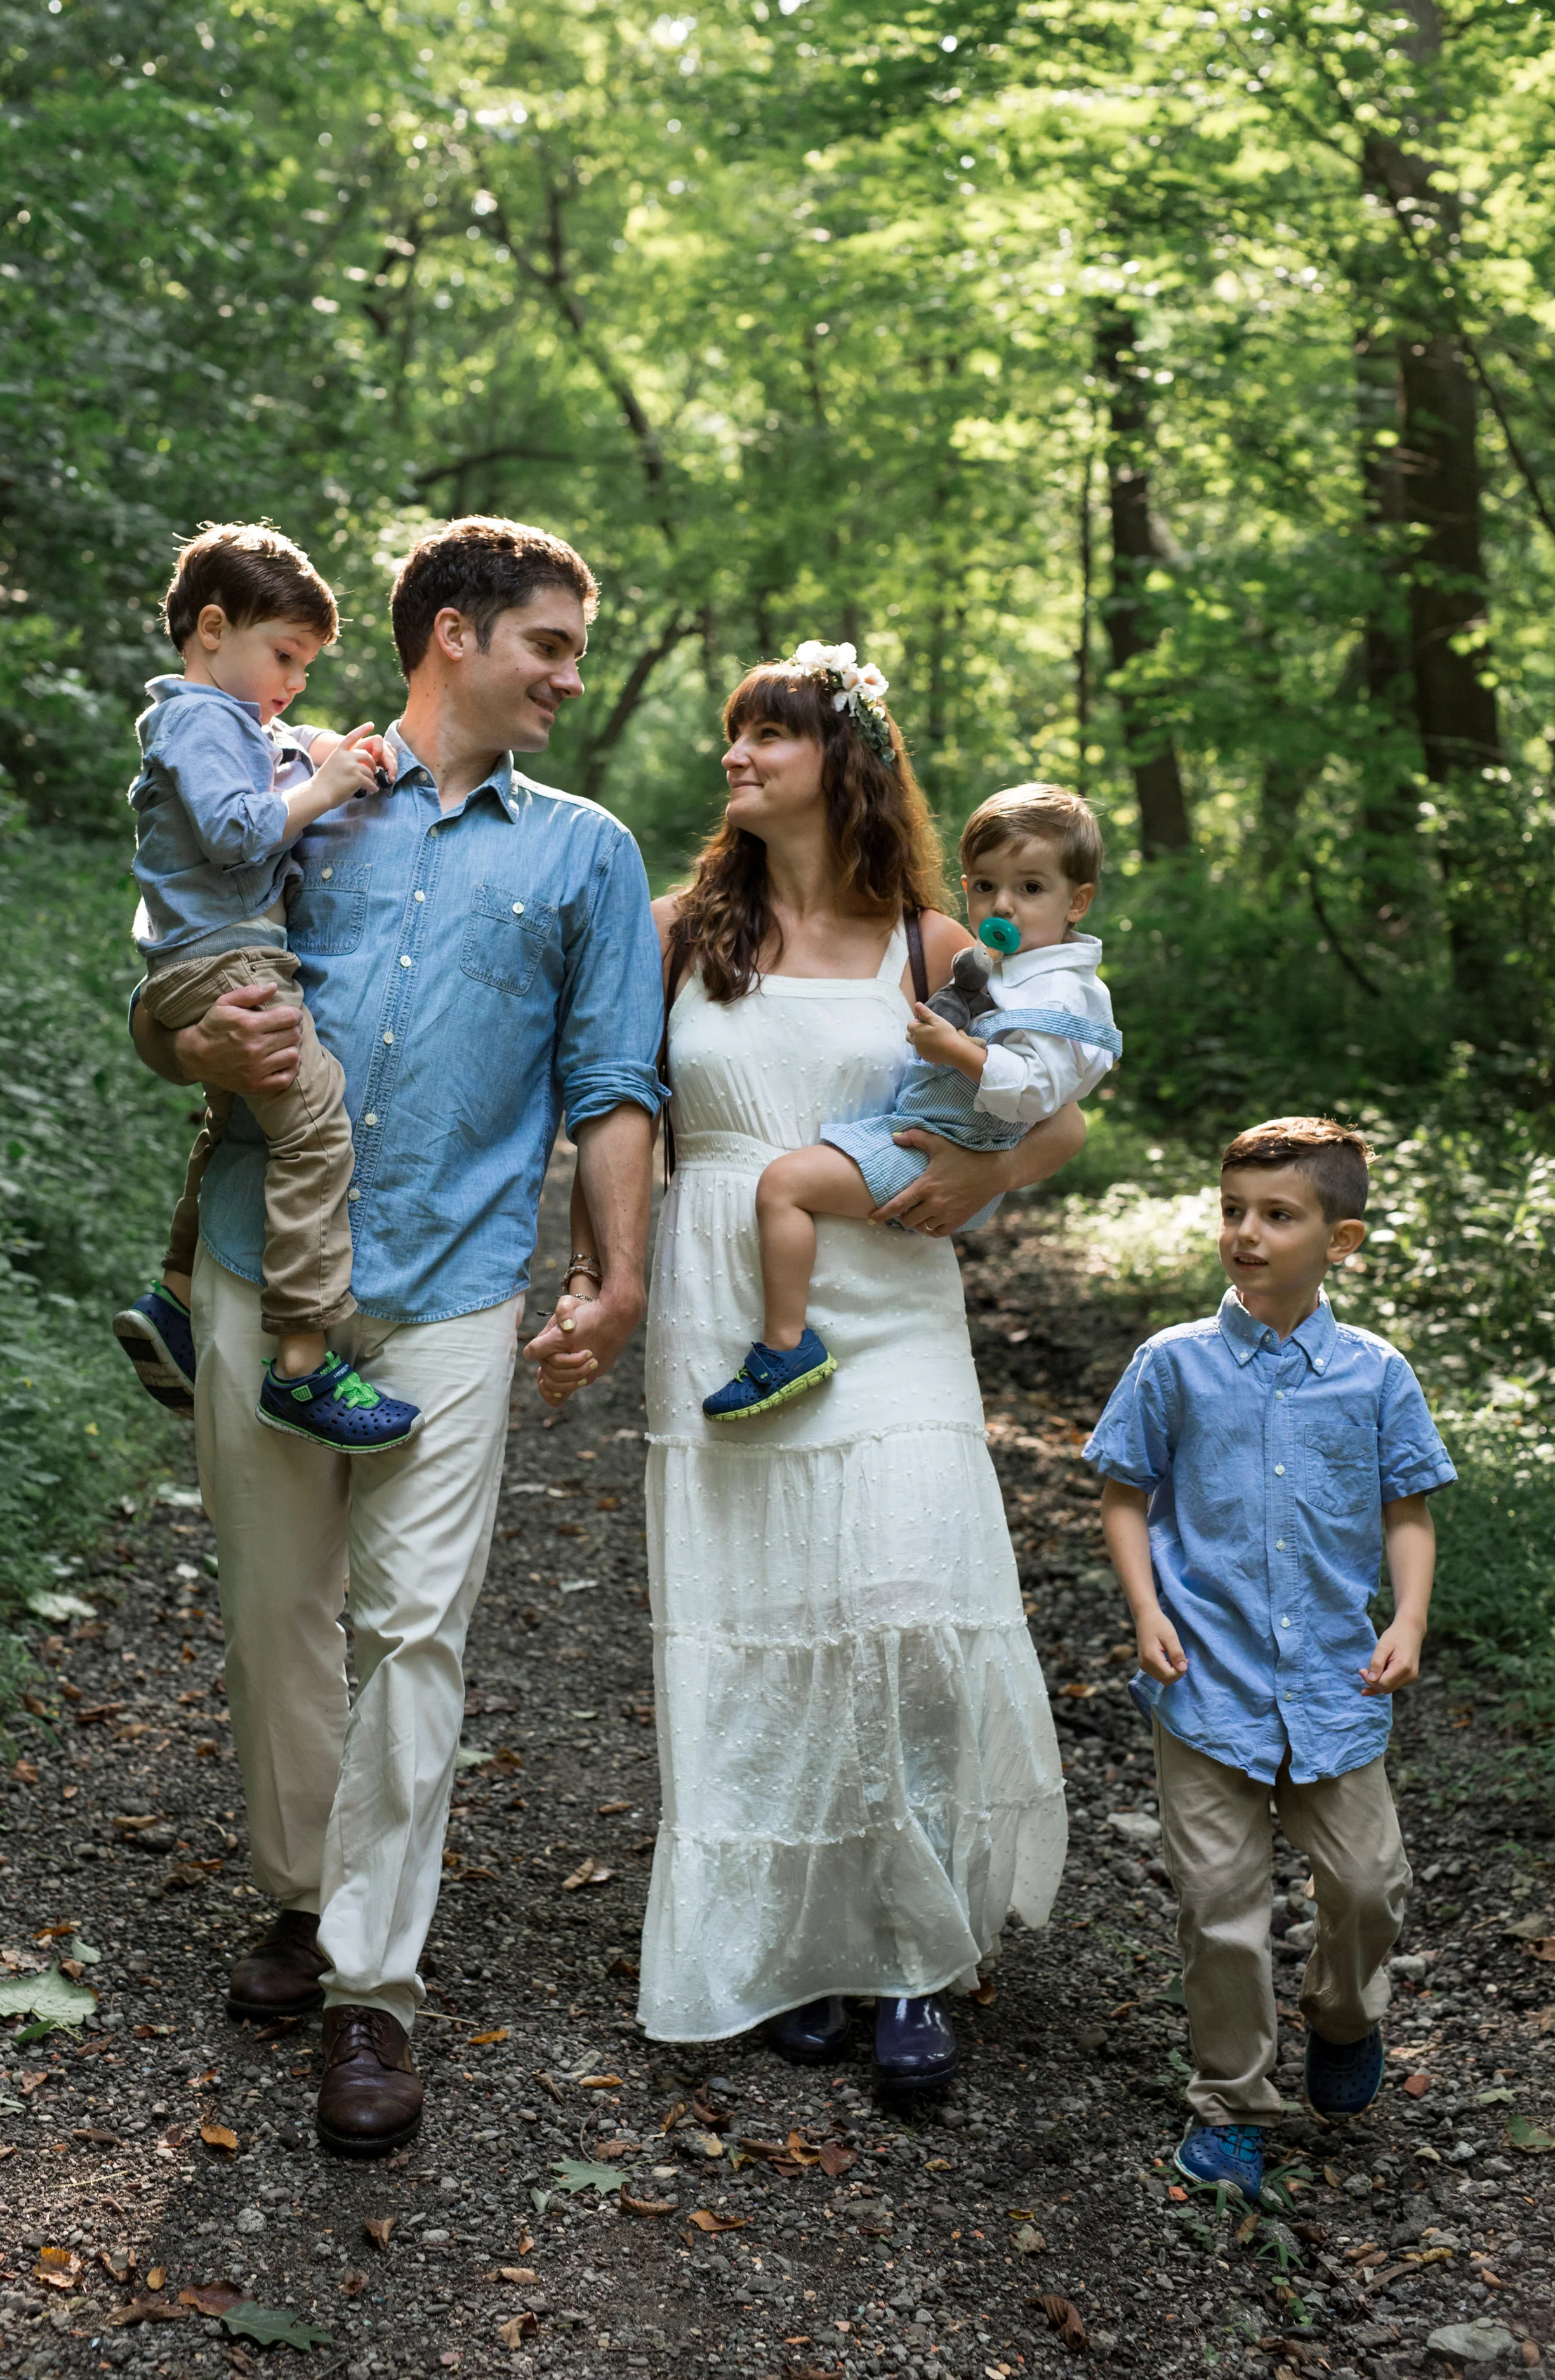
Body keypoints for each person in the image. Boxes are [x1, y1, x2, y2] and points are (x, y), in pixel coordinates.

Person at [128, 515, 663, 2155]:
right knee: (278, 1611)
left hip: (445, 1286)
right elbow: (176, 974)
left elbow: (612, 1083)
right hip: (259, 1269)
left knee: (412, 1627)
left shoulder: (587, 853)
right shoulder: (299, 790)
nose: (570, 676)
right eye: (550, 644)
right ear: (453, 633)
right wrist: (189, 1047)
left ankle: (372, 1984)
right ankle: (302, 1891)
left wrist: (613, 1272)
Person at [533, 647, 1075, 2090]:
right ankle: (790, 1943)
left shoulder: (932, 942)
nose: (738, 755)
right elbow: (613, 1114)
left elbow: (1063, 1106)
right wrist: (605, 1274)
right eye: (734, 734)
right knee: (765, 1629)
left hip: (893, 1299)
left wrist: (986, 1172)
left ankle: (908, 1952)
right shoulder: (670, 933)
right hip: (732, 1304)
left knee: (901, 1617)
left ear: (839, 762)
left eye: (769, 733)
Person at [1082, 1117, 1455, 2200]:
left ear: (1341, 1241)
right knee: (1222, 1907)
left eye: (1277, 1217)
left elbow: (1408, 1509)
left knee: (1370, 1882)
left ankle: (1343, 2014)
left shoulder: (1375, 1374)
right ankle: (1233, 2101)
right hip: (1206, 1682)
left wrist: (1412, 1620)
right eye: (1233, 1211)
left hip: (1336, 1685)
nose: (1247, 1234)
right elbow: (1122, 1493)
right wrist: (1145, 1607)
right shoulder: (1175, 1365)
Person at [113, 522, 420, 1453]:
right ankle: (301, 1358)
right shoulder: (201, 719)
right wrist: (325, 788)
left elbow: (273, 748)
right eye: (284, 655)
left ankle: (173, 1298)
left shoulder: (222, 719)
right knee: (319, 1124)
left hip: (200, 960)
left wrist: (320, 748)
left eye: (307, 667)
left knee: (234, 1122)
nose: (293, 681)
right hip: (229, 961)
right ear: (213, 628)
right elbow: (239, 829)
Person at [701, 753, 1121, 1420]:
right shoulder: (1004, 967)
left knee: (784, 1185)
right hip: (922, 1127)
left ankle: (786, 1345)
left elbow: (1041, 1095)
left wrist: (956, 1051)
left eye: (1030, 889)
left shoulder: (1063, 992)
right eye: (985, 887)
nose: (1001, 905)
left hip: (945, 1144)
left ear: (1078, 901)